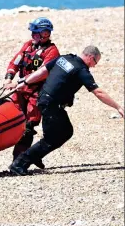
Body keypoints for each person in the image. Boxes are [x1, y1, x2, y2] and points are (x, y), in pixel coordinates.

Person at [8, 45, 124, 175]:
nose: (94, 66)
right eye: (95, 62)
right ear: (90, 57)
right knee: (54, 137)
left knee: (65, 132)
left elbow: (42, 72)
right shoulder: (81, 70)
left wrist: (25, 82)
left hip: (44, 100)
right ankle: (20, 163)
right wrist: (118, 107)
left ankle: (34, 155)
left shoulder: (64, 58)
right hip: (51, 104)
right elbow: (98, 92)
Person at [3, 17, 60, 169]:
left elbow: (42, 73)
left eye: (36, 33)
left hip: (35, 93)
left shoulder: (52, 51)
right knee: (14, 120)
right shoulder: (28, 46)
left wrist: (21, 83)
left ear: (45, 34)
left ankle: (19, 160)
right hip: (20, 91)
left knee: (28, 126)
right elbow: (15, 62)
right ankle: (29, 155)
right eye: (32, 33)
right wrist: (9, 78)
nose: (33, 36)